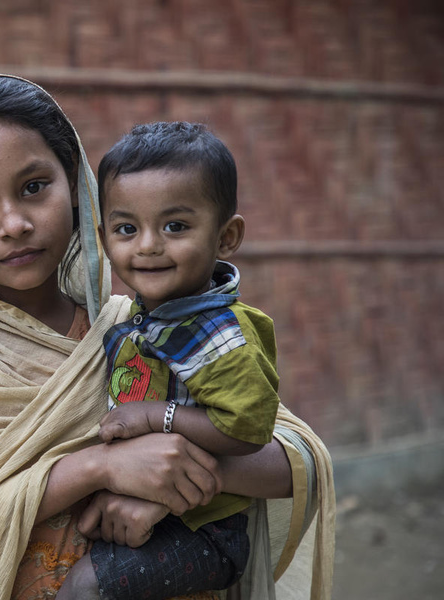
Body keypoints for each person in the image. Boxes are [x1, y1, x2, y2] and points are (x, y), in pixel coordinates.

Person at [0, 75, 335, 600]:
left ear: (78, 187)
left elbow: (296, 462)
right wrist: (98, 467)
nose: (13, 223)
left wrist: (165, 482)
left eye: (34, 187)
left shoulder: (137, 327)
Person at [57, 121, 282, 600]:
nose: (147, 245)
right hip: (159, 512)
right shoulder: (140, 319)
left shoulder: (221, 334)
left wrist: (156, 417)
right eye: (126, 228)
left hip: (206, 530)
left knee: (83, 588)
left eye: (175, 226)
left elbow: (248, 429)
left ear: (226, 237)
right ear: (103, 237)